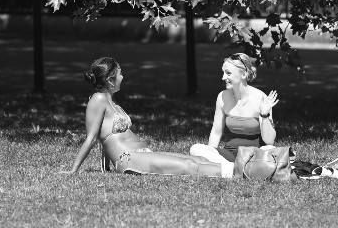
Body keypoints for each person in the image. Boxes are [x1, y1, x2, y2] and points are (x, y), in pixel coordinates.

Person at [62, 57, 234, 177]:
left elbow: (105, 135)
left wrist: (105, 167)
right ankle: (241, 172)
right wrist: (74, 170)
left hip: (142, 154)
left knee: (197, 159)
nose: (123, 77)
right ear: (110, 80)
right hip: (128, 159)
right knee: (190, 166)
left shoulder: (111, 102)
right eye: (120, 74)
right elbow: (92, 138)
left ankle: (240, 169)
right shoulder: (98, 99)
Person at [189, 53, 279, 164]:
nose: (223, 77)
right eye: (223, 73)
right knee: (195, 148)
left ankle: (230, 167)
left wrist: (264, 115)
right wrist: (210, 155)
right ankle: (230, 166)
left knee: (269, 149)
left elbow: (269, 141)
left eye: (228, 73)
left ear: (244, 74)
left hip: (255, 154)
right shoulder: (222, 97)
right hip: (230, 153)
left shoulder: (260, 98)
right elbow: (216, 133)